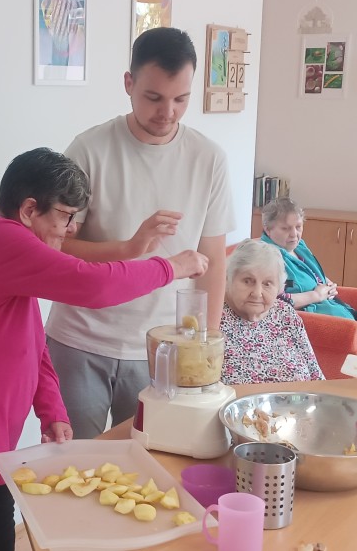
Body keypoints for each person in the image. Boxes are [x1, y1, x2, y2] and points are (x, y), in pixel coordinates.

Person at [0, 147, 208, 551]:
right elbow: (93, 285)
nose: (70, 229)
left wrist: (52, 410)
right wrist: (173, 267)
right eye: (64, 215)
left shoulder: (10, 259)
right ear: (29, 210)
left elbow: (31, 343)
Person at [45, 27, 235, 439]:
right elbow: (54, 247)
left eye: (180, 99)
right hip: (79, 339)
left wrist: (208, 349)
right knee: (71, 469)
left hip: (163, 348)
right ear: (129, 84)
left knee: (150, 469)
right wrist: (131, 248)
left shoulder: (209, 159)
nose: (167, 111)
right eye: (153, 97)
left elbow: (213, 262)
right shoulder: (88, 150)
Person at [261, 197, 357, 353]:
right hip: (321, 321)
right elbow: (275, 302)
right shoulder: (267, 257)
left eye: (298, 226)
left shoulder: (298, 246)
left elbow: (311, 273)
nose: (294, 234)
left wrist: (328, 283)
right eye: (285, 228)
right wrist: (316, 295)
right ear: (268, 229)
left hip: (336, 309)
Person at [220, 239, 324, 384]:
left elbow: (316, 377)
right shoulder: (213, 319)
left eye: (267, 283)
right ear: (228, 278)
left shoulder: (285, 314)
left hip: (298, 405)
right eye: (248, 281)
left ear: (279, 287)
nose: (257, 293)